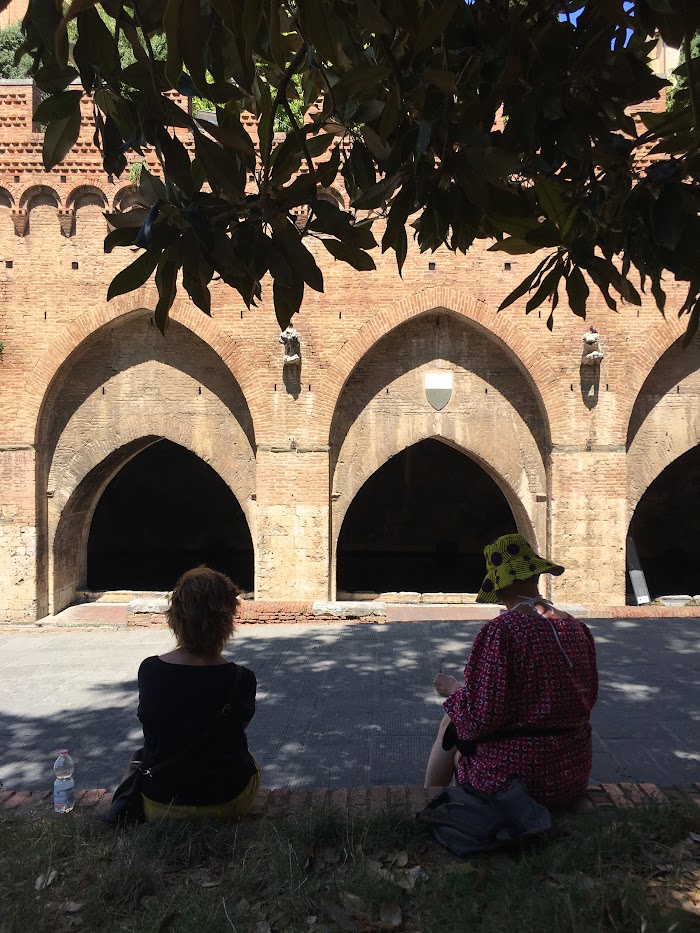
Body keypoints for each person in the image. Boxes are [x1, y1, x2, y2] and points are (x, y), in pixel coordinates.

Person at [425, 534, 598, 809]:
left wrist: (452, 691)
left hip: (516, 782)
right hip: (570, 773)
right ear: (535, 576)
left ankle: (430, 801)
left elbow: (481, 717)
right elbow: (587, 696)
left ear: (499, 584)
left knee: (452, 720)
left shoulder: (504, 630)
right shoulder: (576, 628)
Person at [137, 566, 260, 821]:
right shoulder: (241, 678)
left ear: (175, 617)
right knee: (250, 760)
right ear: (226, 620)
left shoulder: (150, 670)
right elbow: (238, 726)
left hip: (159, 804)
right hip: (225, 801)